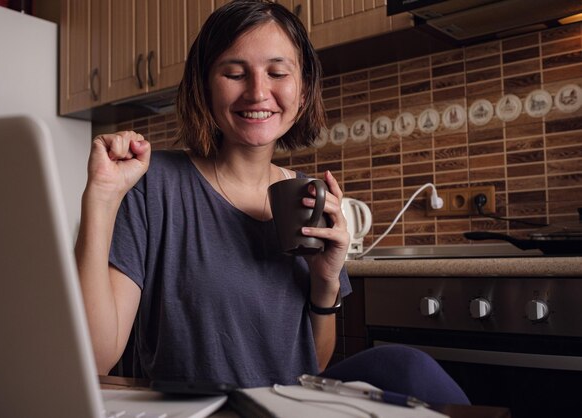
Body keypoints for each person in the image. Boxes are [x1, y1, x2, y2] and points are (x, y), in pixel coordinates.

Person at [75, 0, 469, 405]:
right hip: (198, 412)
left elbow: (311, 364)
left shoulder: (306, 196)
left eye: (277, 73)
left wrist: (326, 280)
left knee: (410, 368)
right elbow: (94, 358)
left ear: (302, 92)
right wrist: (102, 198)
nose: (258, 92)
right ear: (205, 87)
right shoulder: (154, 183)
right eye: (234, 73)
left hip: (287, 409)